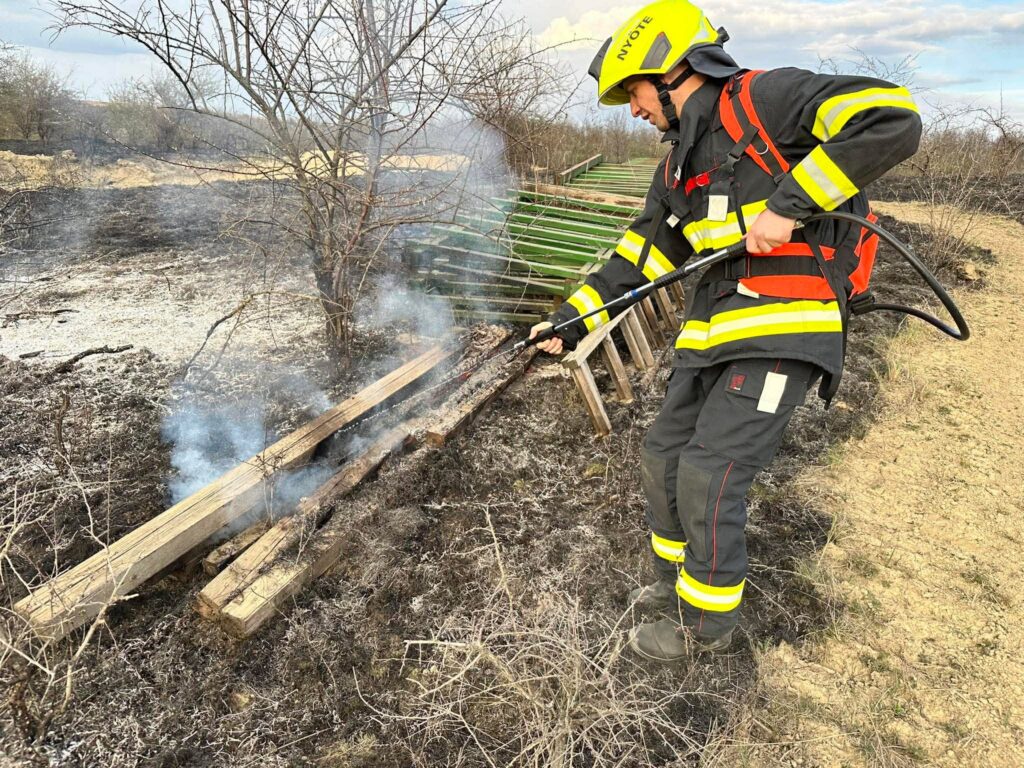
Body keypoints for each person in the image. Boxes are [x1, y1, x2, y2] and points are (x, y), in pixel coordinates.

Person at [530, 0, 921, 661]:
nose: (633, 109)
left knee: (710, 475)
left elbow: (893, 119)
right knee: (662, 459)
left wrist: (790, 207)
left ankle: (704, 627)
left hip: (785, 332)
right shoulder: (677, 166)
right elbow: (642, 256)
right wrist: (572, 321)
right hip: (711, 336)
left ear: (674, 70)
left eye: (634, 92)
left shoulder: (766, 100)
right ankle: (678, 585)